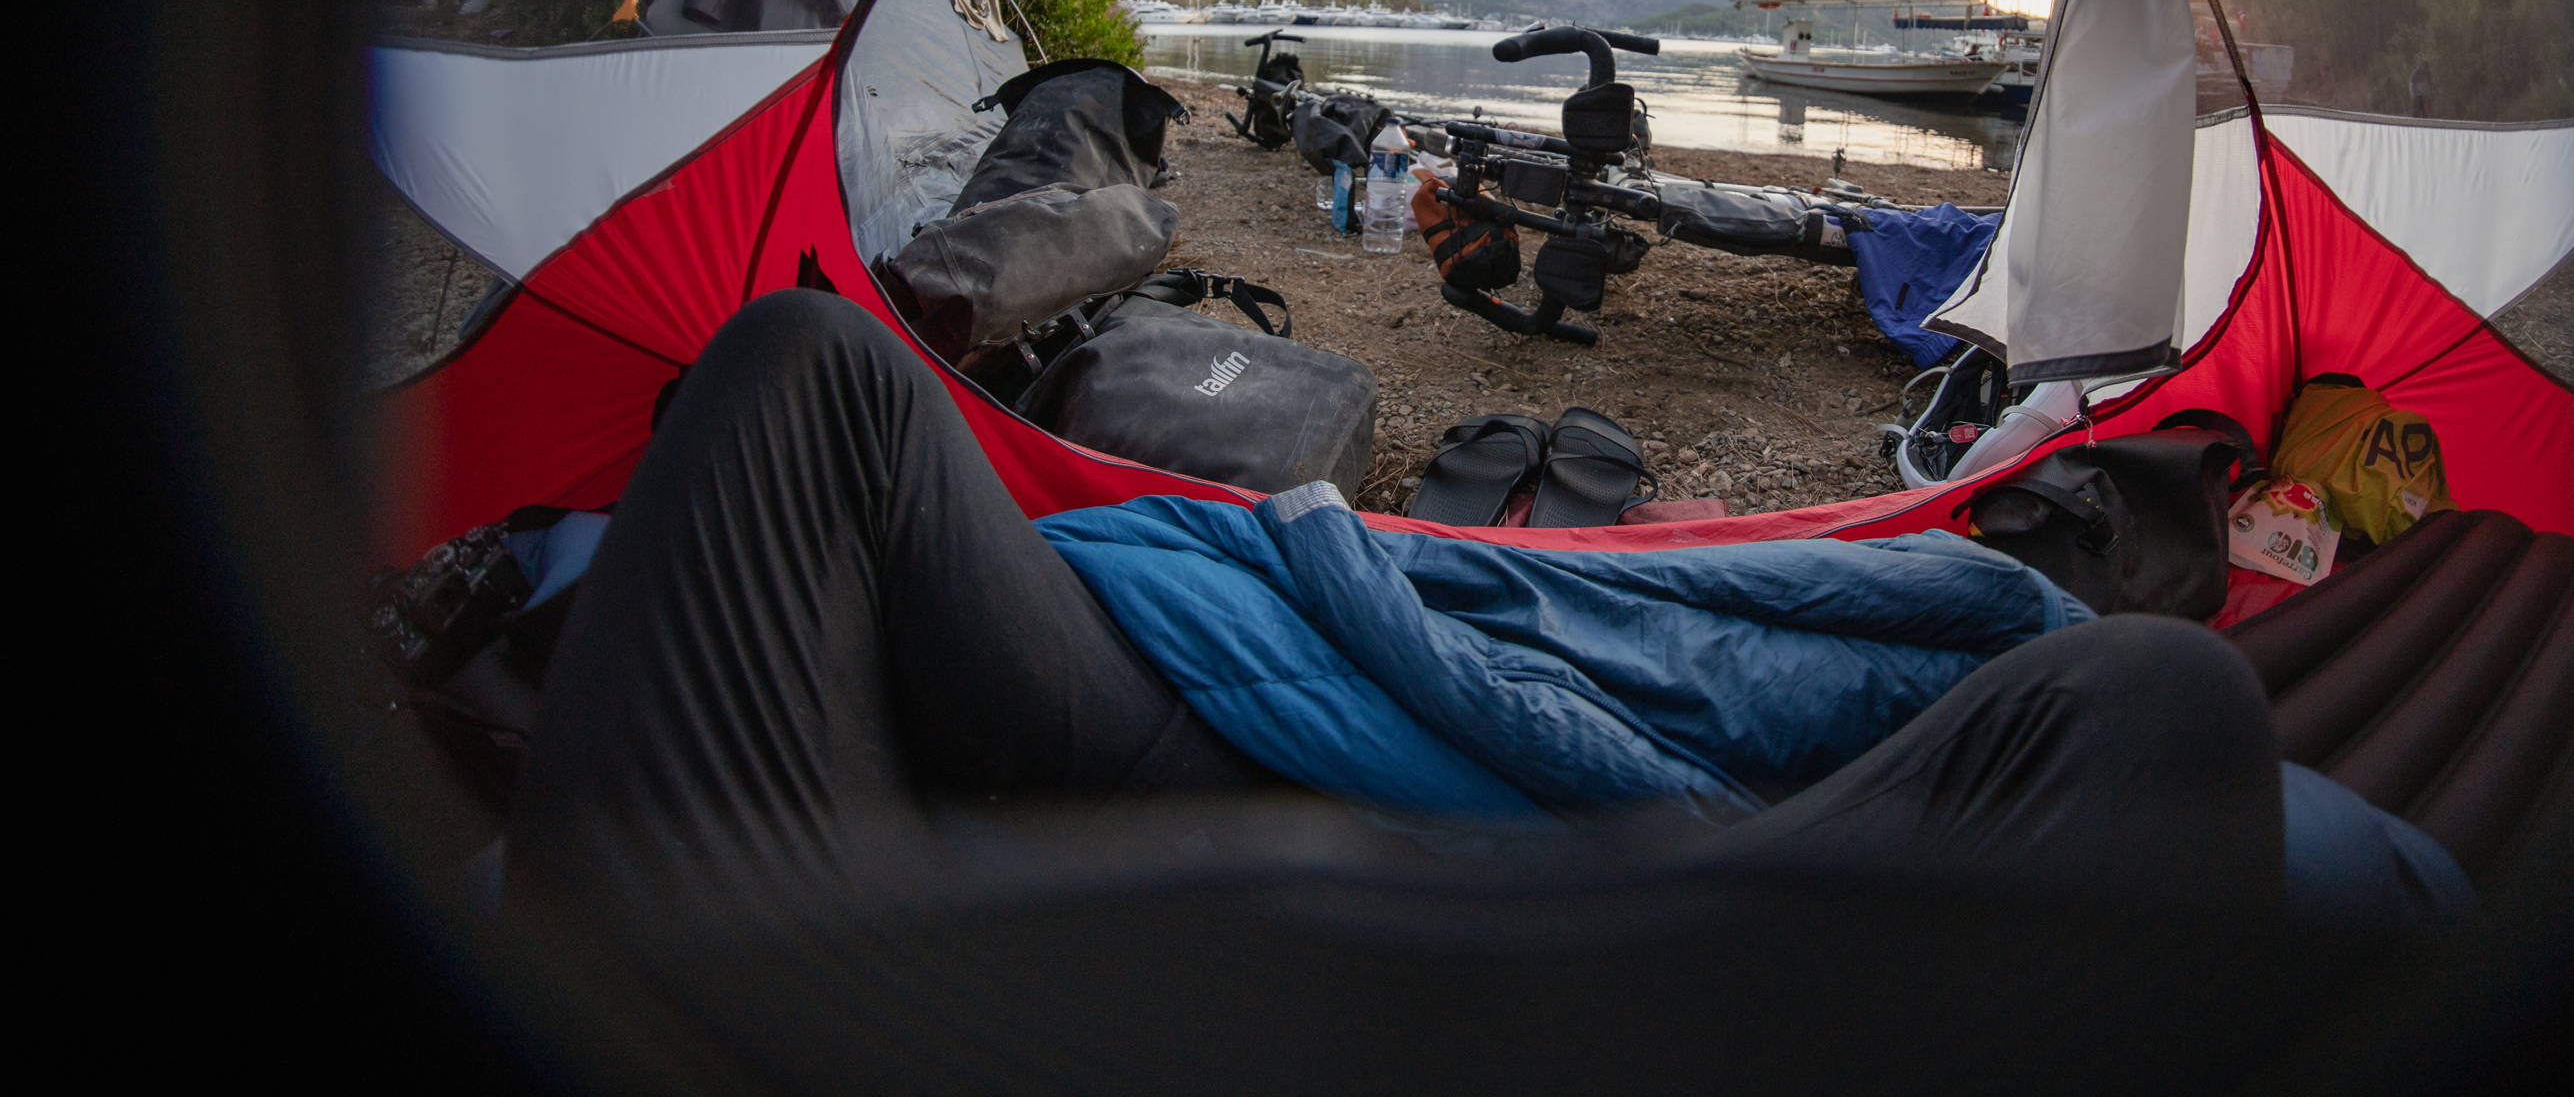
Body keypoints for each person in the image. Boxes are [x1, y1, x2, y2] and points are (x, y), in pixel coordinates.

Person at [500, 293, 2410, 1092]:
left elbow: (1665, 707)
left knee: (2165, 692)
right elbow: (1594, 621)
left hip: (1602, 877)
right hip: (1189, 690)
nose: (1699, 520)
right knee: (809, 357)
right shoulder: (1981, 641)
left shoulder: (2018, 676)